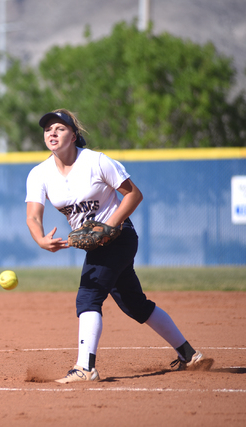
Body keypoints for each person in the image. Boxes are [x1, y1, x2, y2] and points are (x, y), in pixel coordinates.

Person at [25, 109, 211, 383]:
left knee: (88, 295)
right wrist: (41, 239)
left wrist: (109, 225)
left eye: (59, 128)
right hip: (96, 244)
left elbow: (134, 194)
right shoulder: (40, 174)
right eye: (47, 129)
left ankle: (85, 368)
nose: (51, 133)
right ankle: (189, 354)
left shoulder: (96, 162)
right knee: (134, 304)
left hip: (120, 236)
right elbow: (33, 216)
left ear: (74, 135)